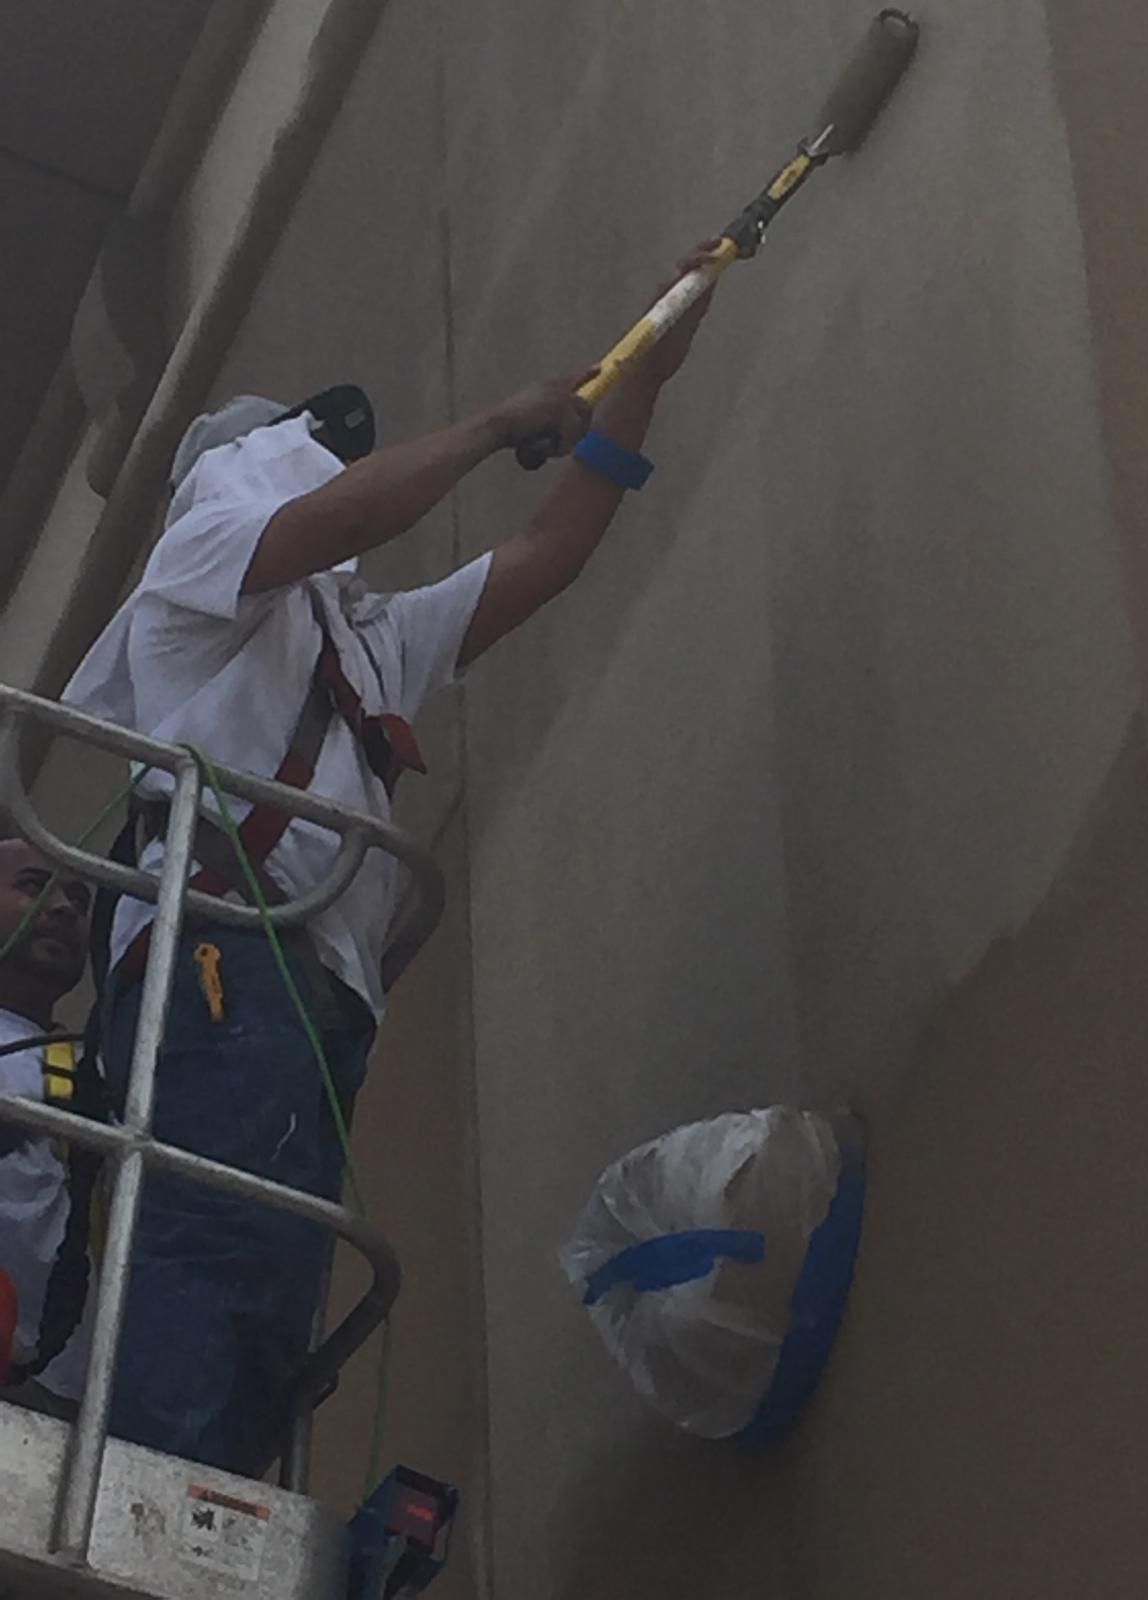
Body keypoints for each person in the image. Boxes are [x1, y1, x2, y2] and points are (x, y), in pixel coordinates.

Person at [63, 250, 717, 1477]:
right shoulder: (200, 567)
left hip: (317, 991)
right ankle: (153, 1502)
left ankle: (212, 1504)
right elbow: (344, 515)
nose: (327, 460)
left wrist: (646, 378)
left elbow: (548, 552)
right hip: (220, 953)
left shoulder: (360, 640)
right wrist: (488, 422)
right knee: (208, 1247)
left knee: (267, 1289)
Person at [0, 831, 96, 1417]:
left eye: (80, 901)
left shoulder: (91, 1081)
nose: (63, 908)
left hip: (42, 1400)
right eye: (33, 887)